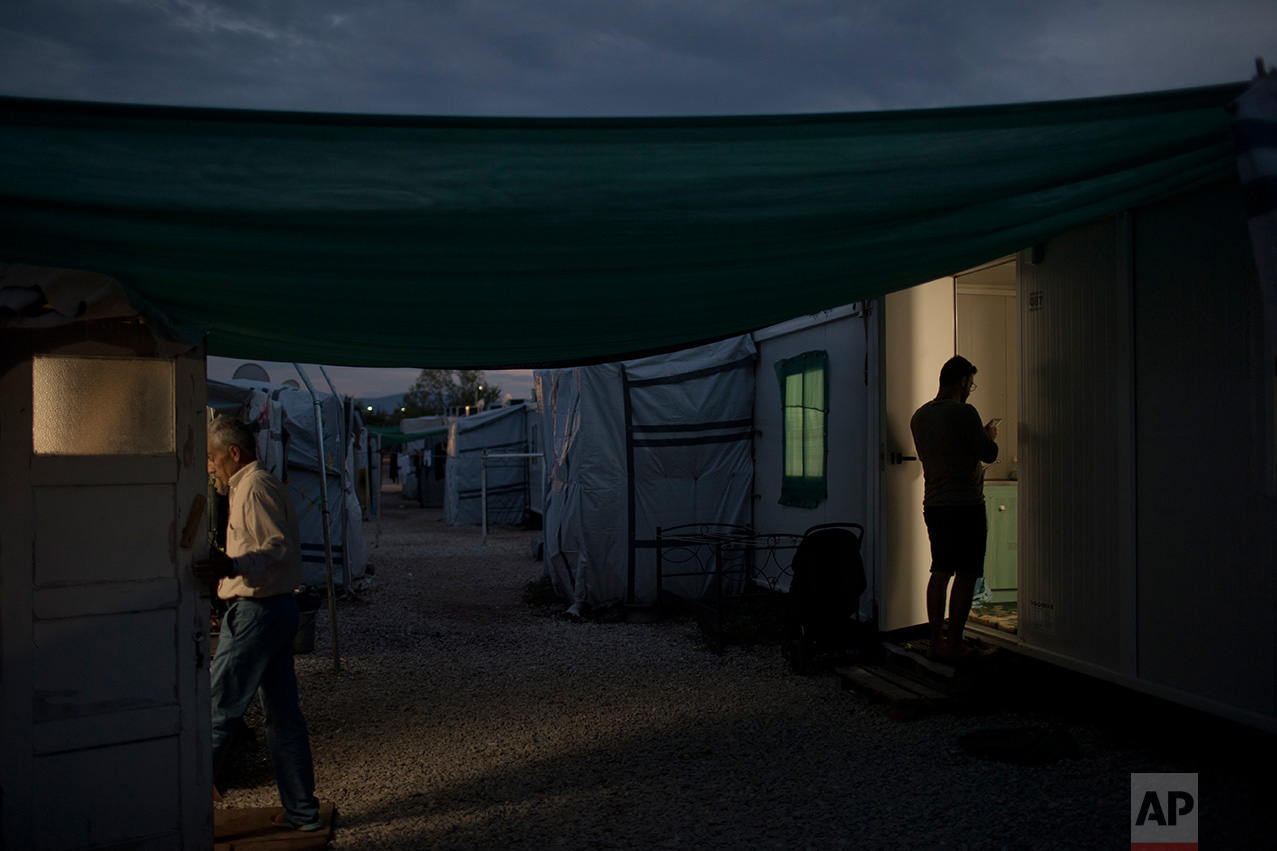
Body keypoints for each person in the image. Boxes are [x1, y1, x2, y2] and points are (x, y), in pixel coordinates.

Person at [194, 416, 324, 832]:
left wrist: (232, 563)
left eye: (213, 459)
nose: (210, 468)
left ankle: (177, 816)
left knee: (217, 711)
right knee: (283, 716)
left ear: (234, 453)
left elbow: (275, 548)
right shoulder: (255, 485)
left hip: (258, 612)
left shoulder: (253, 487)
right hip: (276, 610)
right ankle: (302, 812)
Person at [909, 356, 999, 662]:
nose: (971, 389)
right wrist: (988, 435)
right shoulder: (965, 413)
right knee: (967, 573)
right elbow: (988, 454)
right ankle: (955, 642)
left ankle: (935, 642)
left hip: (934, 504)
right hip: (965, 505)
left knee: (940, 570)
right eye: (970, 383)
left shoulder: (919, 417)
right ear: (962, 381)